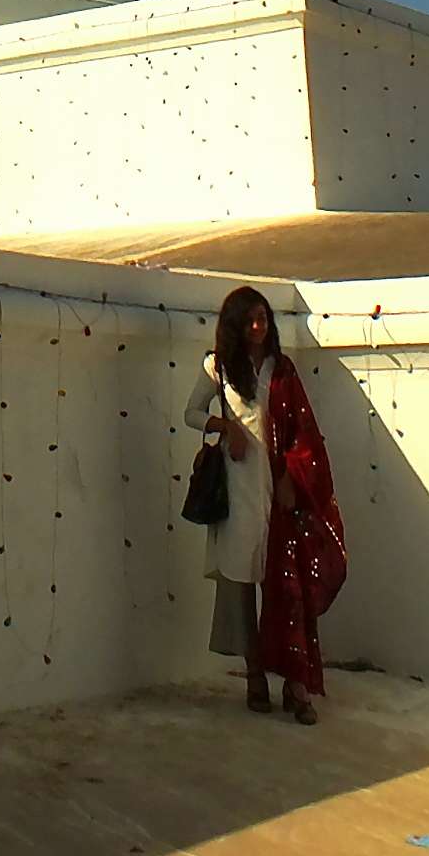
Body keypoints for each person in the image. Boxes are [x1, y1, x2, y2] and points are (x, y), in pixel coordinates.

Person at [184, 285, 345, 722]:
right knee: (241, 588)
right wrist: (225, 427)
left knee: (286, 588)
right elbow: (190, 413)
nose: (259, 327)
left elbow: (302, 433)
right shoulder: (217, 367)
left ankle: (296, 686)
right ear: (235, 324)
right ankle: (255, 675)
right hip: (237, 494)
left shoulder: (282, 368)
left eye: (264, 318)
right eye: (250, 319)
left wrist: (294, 478)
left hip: (278, 495)